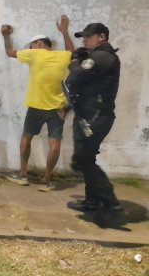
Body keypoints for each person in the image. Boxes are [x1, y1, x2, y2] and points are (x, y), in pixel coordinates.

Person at [1, 15, 74, 191]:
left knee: (26, 138)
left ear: (40, 44)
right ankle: (47, 180)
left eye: (32, 45)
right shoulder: (63, 56)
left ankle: (23, 174)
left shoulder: (35, 54)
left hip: (35, 107)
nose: (31, 48)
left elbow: (10, 52)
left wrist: (5, 35)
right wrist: (64, 31)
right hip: (58, 109)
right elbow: (72, 51)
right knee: (54, 143)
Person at [65, 23, 123, 226]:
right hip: (88, 115)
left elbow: (76, 76)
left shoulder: (103, 57)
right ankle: (92, 201)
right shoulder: (95, 57)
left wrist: (74, 61)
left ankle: (111, 202)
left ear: (102, 37)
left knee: (83, 160)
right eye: (83, 37)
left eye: (88, 37)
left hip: (95, 117)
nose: (84, 40)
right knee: (86, 158)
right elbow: (81, 84)